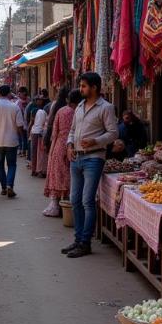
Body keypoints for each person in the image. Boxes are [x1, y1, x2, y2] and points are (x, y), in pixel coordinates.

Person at [63, 72, 118, 258]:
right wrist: (69, 145)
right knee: (75, 200)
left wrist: (95, 141)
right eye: (81, 86)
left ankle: (85, 242)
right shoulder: (79, 106)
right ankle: (78, 239)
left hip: (94, 158)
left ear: (94, 87)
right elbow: (71, 131)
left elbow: (113, 133)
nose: (81, 89)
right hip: (76, 157)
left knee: (87, 201)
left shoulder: (106, 108)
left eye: (84, 86)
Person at [0, 84, 25, 198]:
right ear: (9, 93)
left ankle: (3, 187)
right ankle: (9, 185)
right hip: (12, 141)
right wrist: (22, 139)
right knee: (12, 164)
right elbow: (20, 125)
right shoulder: (14, 107)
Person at [43, 89, 80, 217]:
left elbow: (54, 131)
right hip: (75, 146)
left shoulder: (61, 110)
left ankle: (55, 206)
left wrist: (52, 145)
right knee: (70, 176)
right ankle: (69, 207)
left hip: (59, 145)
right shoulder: (79, 112)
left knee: (57, 174)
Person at [29, 95, 48, 177]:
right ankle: (39, 170)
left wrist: (29, 131)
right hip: (40, 133)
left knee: (34, 152)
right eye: (39, 100)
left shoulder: (34, 110)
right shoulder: (43, 112)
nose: (40, 101)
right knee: (40, 153)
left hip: (35, 132)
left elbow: (31, 122)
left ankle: (34, 170)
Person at [16, 86, 30, 157]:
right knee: (21, 136)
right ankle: (21, 149)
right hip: (20, 121)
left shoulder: (28, 100)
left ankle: (23, 150)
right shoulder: (18, 102)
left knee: (24, 136)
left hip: (27, 122)